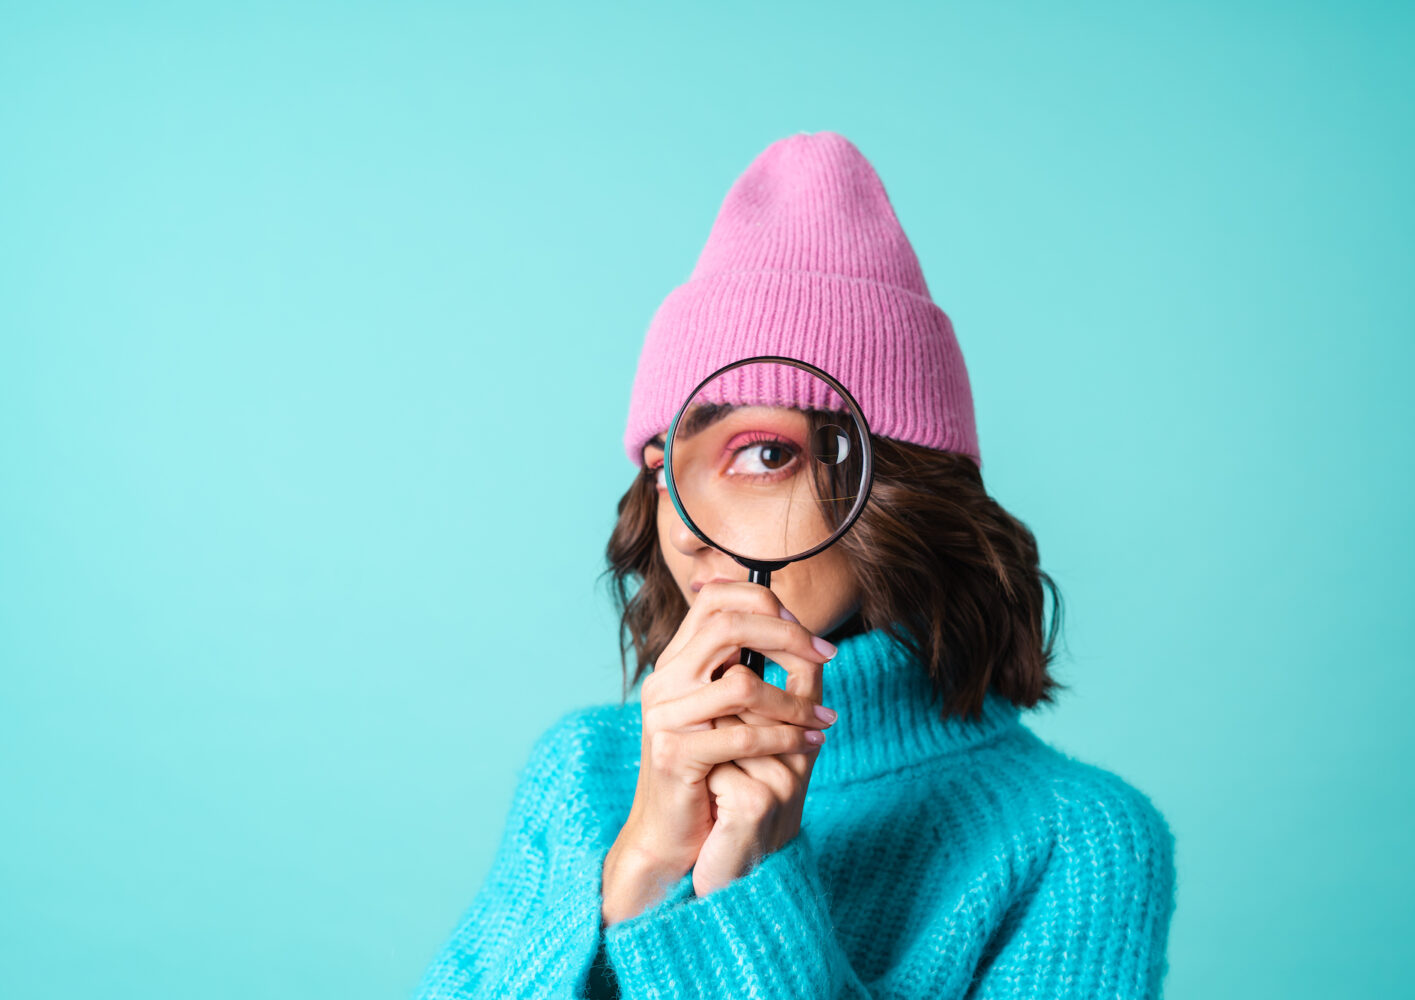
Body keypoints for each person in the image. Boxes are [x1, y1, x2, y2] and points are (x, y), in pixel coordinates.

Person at [410, 131, 1177, 999]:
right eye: (665, 471)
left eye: (763, 454)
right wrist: (641, 868)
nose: (686, 533)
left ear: (895, 485)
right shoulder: (582, 776)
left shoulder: (1078, 841)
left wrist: (748, 893)